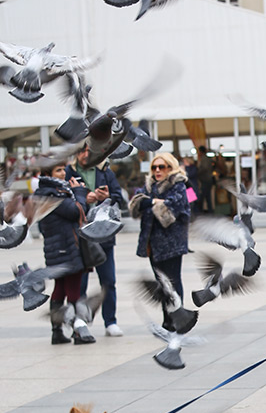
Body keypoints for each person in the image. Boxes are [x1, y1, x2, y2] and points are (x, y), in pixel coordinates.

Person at [34, 162, 95, 345]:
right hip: (66, 246)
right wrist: (80, 194)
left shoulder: (51, 191)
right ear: (48, 173)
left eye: (63, 169)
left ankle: (57, 331)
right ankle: (78, 331)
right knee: (73, 289)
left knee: (60, 288)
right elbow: (74, 211)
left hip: (58, 246)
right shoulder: (51, 193)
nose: (63, 173)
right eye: (58, 170)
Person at [66, 147, 124, 337]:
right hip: (80, 236)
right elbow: (61, 200)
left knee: (108, 280)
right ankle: (79, 320)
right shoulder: (69, 173)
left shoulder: (104, 171)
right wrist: (83, 197)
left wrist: (106, 197)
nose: (85, 155)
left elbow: (119, 197)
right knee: (79, 282)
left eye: (89, 151)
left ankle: (111, 321)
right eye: (81, 151)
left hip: (103, 235)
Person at [129, 153, 191, 327]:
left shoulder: (178, 185)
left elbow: (173, 209)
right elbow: (136, 204)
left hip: (172, 242)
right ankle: (167, 317)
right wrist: (156, 202)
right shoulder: (148, 186)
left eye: (161, 167)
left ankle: (178, 316)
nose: (157, 171)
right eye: (154, 167)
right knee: (161, 282)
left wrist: (151, 202)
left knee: (173, 280)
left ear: (170, 168)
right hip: (152, 243)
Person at [196, 145, 214, 213]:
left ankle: (200, 212)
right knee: (207, 197)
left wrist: (198, 172)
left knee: (202, 197)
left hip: (205, 179)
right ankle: (210, 211)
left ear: (200, 151)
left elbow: (204, 168)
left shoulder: (204, 158)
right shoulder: (208, 158)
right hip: (208, 179)